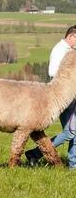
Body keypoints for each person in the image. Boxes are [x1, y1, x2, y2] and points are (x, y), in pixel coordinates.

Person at [26, 25, 76, 166]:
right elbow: (52, 72)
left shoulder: (70, 51)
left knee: (74, 131)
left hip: (70, 97)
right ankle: (36, 153)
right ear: (71, 36)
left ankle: (73, 164)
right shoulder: (59, 50)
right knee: (70, 132)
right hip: (61, 97)